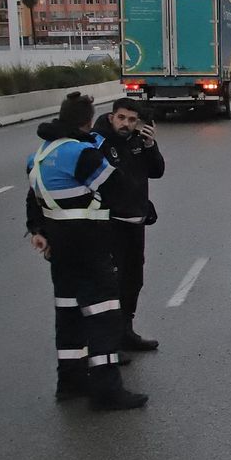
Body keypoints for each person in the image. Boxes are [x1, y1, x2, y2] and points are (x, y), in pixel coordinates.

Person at [25, 93, 145, 410]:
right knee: (104, 317)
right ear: (87, 122)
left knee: (68, 316)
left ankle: (71, 381)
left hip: (58, 249)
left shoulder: (38, 156)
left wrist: (37, 231)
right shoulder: (82, 154)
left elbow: (32, 201)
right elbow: (119, 189)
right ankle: (107, 391)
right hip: (89, 246)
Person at [94, 97, 165, 353]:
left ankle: (126, 332)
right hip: (110, 225)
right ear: (112, 116)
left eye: (132, 120)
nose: (126, 124)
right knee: (113, 283)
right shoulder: (97, 143)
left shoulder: (137, 141)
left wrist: (150, 144)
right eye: (122, 118)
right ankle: (110, 342)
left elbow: (157, 171)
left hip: (136, 223)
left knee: (134, 280)